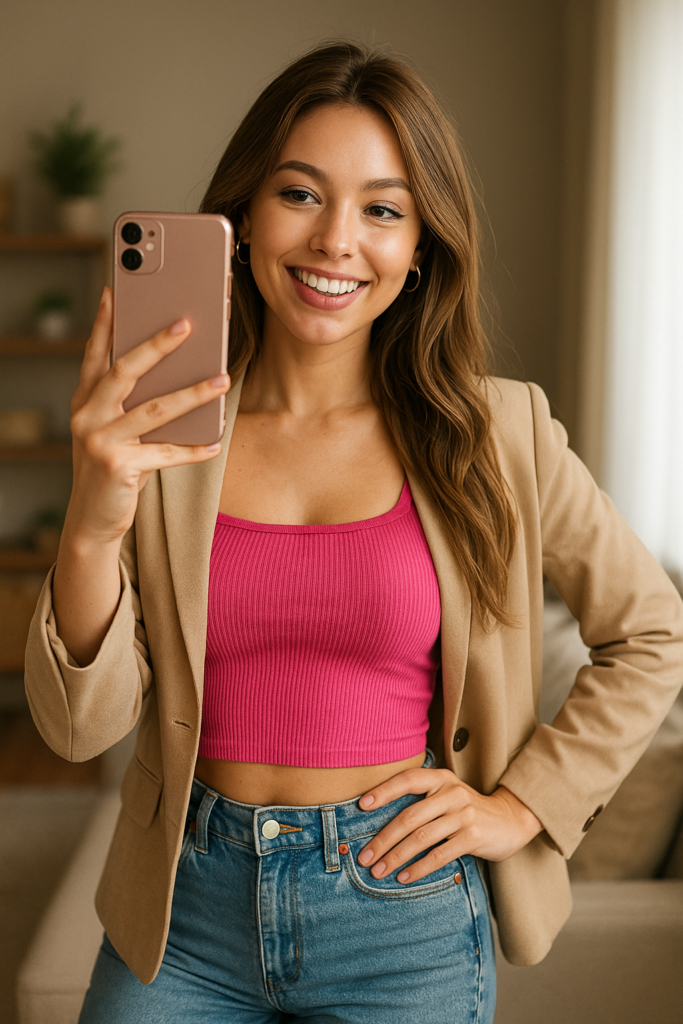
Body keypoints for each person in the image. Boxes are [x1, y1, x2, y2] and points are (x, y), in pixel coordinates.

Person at [25, 41, 683, 1024]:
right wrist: (91, 514)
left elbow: (650, 633)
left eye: (381, 208)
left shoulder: (497, 431)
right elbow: (81, 725)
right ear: (243, 216)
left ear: (419, 245)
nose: (336, 239)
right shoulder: (159, 443)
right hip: (184, 916)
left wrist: (521, 803)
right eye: (300, 193)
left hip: (398, 919)